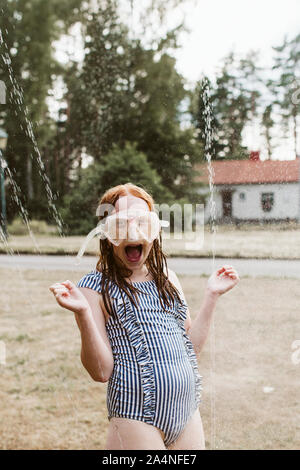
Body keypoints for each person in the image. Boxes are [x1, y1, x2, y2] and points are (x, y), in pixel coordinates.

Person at [49, 183, 239, 450]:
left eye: (143, 223)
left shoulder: (167, 278)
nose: (133, 232)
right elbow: (101, 371)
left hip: (186, 412)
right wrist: (82, 314)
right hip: (135, 416)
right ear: (107, 234)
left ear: (154, 231)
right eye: (121, 225)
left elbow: (190, 350)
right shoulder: (94, 287)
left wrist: (211, 296)